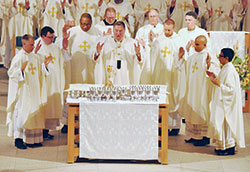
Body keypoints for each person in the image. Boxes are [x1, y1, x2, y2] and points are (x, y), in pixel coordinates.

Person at [6, 34, 52, 149]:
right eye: (31, 45)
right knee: (22, 113)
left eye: (33, 44)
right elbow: (11, 73)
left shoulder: (35, 57)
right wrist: (20, 71)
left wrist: (45, 66)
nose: (33, 47)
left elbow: (41, 72)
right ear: (24, 43)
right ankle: (19, 139)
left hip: (35, 90)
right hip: (23, 92)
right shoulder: (19, 57)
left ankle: (34, 139)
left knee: (34, 112)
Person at [178, 35, 219, 146]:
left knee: (201, 110)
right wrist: (181, 57)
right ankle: (193, 135)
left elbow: (214, 71)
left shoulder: (208, 55)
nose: (194, 46)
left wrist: (209, 64)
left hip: (202, 90)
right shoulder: (193, 56)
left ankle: (204, 137)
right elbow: (184, 68)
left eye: (197, 44)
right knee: (192, 110)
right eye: (194, 44)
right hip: (192, 89)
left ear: (204, 45)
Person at [207, 48, 245, 155]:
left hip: (226, 104)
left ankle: (227, 148)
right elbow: (221, 82)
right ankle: (223, 147)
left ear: (226, 58)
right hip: (222, 102)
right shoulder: (225, 68)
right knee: (221, 125)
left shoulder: (229, 70)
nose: (219, 57)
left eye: (220, 55)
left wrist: (218, 84)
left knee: (225, 125)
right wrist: (214, 77)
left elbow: (231, 90)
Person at [35, 26, 68, 140]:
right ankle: (38, 132)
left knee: (51, 107)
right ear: (43, 36)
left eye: (53, 37)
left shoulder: (55, 48)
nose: (52, 40)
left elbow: (63, 63)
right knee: (42, 105)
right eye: (49, 37)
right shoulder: (36, 47)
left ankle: (46, 131)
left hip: (53, 83)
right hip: (42, 83)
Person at [151, 19, 182, 135]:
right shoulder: (159, 40)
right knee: (162, 96)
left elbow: (182, 56)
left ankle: (174, 127)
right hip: (161, 74)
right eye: (165, 29)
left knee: (173, 96)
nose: (167, 32)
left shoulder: (178, 40)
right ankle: (161, 125)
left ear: (174, 29)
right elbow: (153, 56)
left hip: (173, 74)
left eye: (169, 30)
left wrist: (180, 57)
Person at [94, 21, 143, 85]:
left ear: (124, 31)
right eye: (116, 30)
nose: (118, 33)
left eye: (120, 31)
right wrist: (98, 53)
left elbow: (141, 60)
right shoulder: (105, 42)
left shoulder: (132, 43)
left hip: (125, 76)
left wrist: (138, 54)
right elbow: (94, 57)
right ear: (113, 30)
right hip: (110, 74)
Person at [135, 9, 163, 84]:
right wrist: (144, 46)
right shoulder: (142, 30)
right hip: (146, 57)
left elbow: (164, 43)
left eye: (154, 16)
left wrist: (153, 40)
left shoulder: (163, 29)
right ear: (148, 17)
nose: (153, 18)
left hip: (157, 58)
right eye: (151, 16)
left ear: (158, 17)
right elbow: (137, 42)